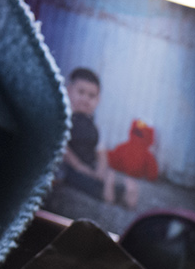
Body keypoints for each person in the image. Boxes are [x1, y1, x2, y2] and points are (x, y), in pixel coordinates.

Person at [58, 68, 138, 207]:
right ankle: (112, 192)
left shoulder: (93, 125)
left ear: (98, 100)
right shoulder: (63, 117)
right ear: (69, 90)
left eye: (91, 96)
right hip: (71, 165)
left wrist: (101, 169)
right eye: (81, 92)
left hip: (89, 163)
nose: (85, 99)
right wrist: (78, 166)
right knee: (73, 178)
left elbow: (101, 151)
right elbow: (62, 146)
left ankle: (120, 189)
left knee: (99, 176)